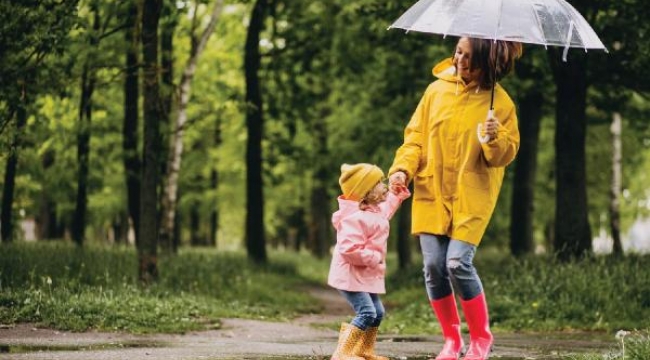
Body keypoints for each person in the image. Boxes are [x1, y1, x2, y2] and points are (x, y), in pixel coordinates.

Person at [388, 37, 523, 360]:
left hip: (471, 194)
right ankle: (451, 340)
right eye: (458, 52)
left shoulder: (500, 104)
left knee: (457, 262)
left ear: (487, 64)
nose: (460, 60)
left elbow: (504, 156)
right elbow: (415, 139)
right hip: (432, 190)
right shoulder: (435, 92)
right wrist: (401, 170)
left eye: (469, 57)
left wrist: (495, 138)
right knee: (434, 266)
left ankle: (480, 338)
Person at [328, 163, 410, 360]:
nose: (384, 186)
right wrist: (373, 257)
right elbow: (348, 249)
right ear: (367, 192)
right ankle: (342, 353)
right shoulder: (354, 218)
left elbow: (388, 207)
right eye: (379, 183)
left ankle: (363, 350)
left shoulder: (375, 211)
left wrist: (396, 193)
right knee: (366, 312)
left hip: (363, 275)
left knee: (378, 312)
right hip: (349, 275)